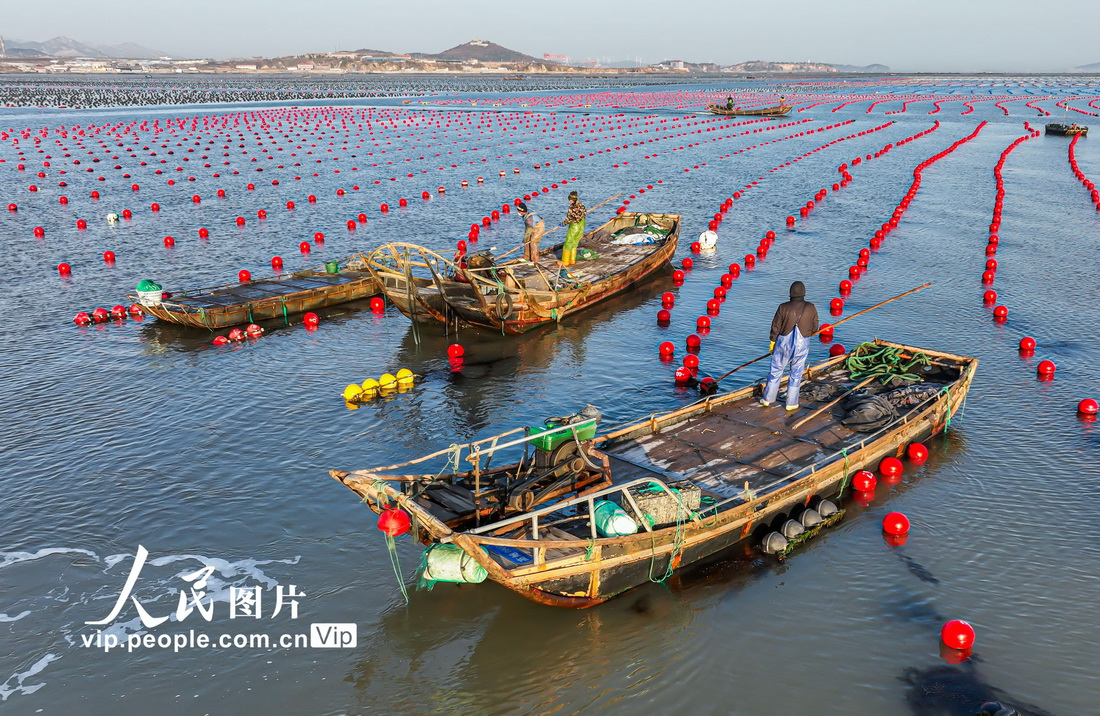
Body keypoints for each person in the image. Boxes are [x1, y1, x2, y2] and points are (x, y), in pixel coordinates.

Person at [760, 281, 819, 411]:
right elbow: (815, 327)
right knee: (796, 373)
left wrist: (772, 341)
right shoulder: (811, 307)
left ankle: (767, 399)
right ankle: (791, 403)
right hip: (802, 343)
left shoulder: (783, 307)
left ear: (790, 293)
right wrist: (809, 332)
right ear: (803, 293)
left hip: (783, 344)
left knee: (776, 371)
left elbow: (775, 326)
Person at [559, 191, 587, 266]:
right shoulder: (581, 204)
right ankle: (572, 260)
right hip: (581, 225)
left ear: (571, 200)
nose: (569, 201)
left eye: (569, 200)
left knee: (568, 243)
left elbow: (569, 219)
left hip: (574, 226)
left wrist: (562, 224)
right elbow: (584, 213)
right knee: (575, 243)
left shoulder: (572, 207)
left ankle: (565, 261)